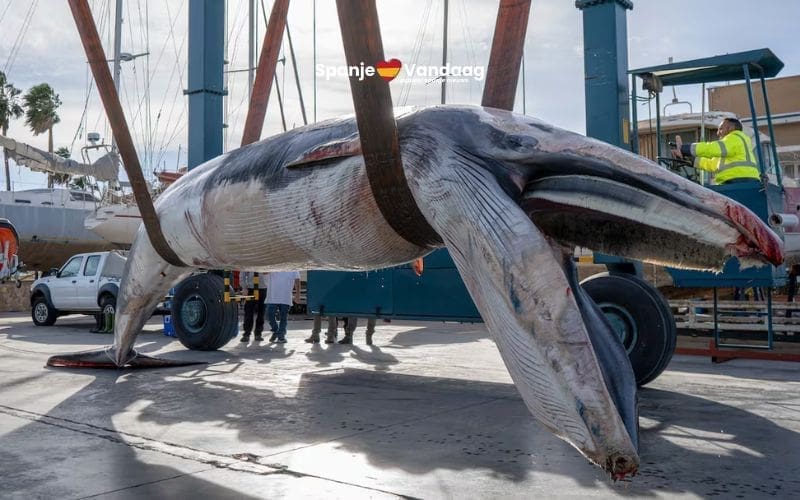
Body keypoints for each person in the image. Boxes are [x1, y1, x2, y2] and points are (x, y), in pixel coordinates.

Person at [671, 117, 760, 185]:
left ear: (731, 128)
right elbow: (712, 165)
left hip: (739, 181)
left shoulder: (735, 137)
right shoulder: (730, 147)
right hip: (738, 181)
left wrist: (684, 148)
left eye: (721, 128)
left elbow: (712, 148)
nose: (718, 133)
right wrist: (690, 159)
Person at [265, 271, 301, 343]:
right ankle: (276, 331)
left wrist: (298, 294)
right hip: (272, 296)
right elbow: (264, 272)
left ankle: (281, 336)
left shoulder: (292, 266)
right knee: (269, 315)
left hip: (285, 296)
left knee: (283, 318)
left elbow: (297, 280)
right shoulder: (273, 263)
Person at [238, 270, 266, 343]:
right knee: (248, 312)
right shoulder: (251, 259)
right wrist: (244, 287)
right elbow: (242, 273)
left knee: (261, 312)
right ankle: (246, 334)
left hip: (264, 288)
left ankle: (258, 334)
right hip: (251, 288)